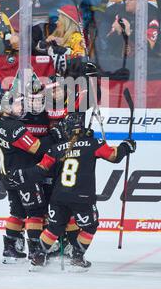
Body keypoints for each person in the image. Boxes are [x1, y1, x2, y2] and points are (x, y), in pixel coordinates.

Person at [9, 113, 136, 270]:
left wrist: (23, 175)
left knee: (53, 228)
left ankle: (38, 257)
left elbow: (41, 169)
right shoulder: (94, 143)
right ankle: (77, 257)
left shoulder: (55, 149)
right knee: (90, 226)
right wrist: (126, 146)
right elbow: (113, 156)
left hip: (58, 197)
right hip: (82, 198)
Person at [0, 87, 63, 263]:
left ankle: (9, 248)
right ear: (7, 106)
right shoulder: (15, 127)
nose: (22, 107)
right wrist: (55, 135)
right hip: (24, 175)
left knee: (16, 211)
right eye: (17, 104)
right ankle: (35, 251)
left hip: (7, 175)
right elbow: (36, 148)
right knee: (35, 212)